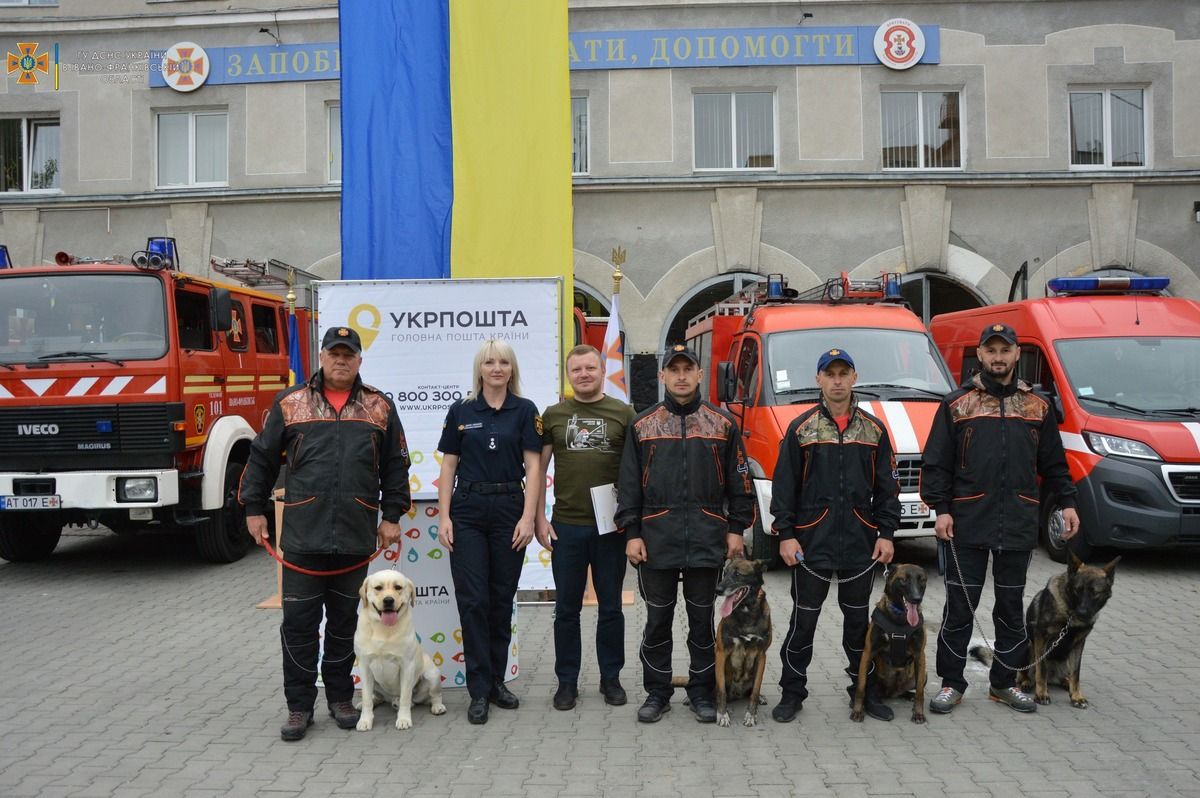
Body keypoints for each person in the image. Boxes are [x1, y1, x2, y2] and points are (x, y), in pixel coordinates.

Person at [240, 326, 411, 742]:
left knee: (341, 625)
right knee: (298, 625)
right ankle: (299, 707)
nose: (341, 360)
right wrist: (252, 508)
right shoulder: (290, 402)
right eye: (334, 353)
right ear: (321, 357)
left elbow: (395, 465)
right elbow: (261, 459)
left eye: (348, 354)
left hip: (354, 536)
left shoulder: (378, 406)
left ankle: (340, 698)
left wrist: (392, 517)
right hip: (301, 536)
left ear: (359, 360)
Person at [922, 322, 1080, 714]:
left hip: (1018, 521)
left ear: (1015, 354)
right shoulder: (957, 404)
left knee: (1011, 608)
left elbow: (1054, 464)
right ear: (980, 355)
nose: (997, 357)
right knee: (960, 607)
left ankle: (1004, 684)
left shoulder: (1037, 406)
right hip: (967, 520)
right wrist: (940, 509)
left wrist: (1068, 502)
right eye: (991, 350)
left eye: (1004, 350)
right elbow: (935, 463)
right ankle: (951, 683)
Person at [615, 343, 756, 724]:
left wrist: (736, 529)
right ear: (662, 376)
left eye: (687, 369)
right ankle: (657, 692)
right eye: (673, 369)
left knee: (701, 621)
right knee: (657, 621)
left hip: (707, 539)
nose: (680, 376)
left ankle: (701, 690)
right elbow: (628, 485)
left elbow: (741, 483)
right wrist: (632, 532)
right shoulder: (642, 425)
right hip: (656, 539)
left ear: (698, 375)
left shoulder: (722, 424)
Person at [769, 348, 901, 723]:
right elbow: (784, 488)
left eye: (844, 373)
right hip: (812, 544)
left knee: (859, 626)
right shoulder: (801, 429)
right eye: (831, 374)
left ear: (855, 378)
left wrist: (887, 533)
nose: (837, 380)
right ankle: (792, 693)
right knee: (803, 623)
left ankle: (864, 692)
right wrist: (786, 535)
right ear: (819, 380)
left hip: (860, 543)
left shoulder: (873, 430)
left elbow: (887, 488)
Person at [436, 339, 543, 725]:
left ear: (512, 369)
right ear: (480, 369)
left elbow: (533, 470)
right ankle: (478, 690)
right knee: (473, 601)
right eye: (489, 362)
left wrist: (528, 517)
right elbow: (449, 467)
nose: (496, 368)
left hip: (509, 511)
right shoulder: (461, 410)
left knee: (500, 599)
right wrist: (444, 517)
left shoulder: (526, 411)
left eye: (504, 362)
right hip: (466, 511)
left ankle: (497, 682)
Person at [536, 344, 636, 711]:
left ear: (601, 369)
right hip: (567, 527)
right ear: (568, 374)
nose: (583, 375)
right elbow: (538, 470)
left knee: (611, 608)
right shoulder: (553, 415)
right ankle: (567, 682)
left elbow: (635, 470)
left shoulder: (623, 413)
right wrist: (538, 518)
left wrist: (634, 522)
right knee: (566, 609)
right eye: (576, 369)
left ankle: (611, 679)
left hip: (611, 528)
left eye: (590, 368)